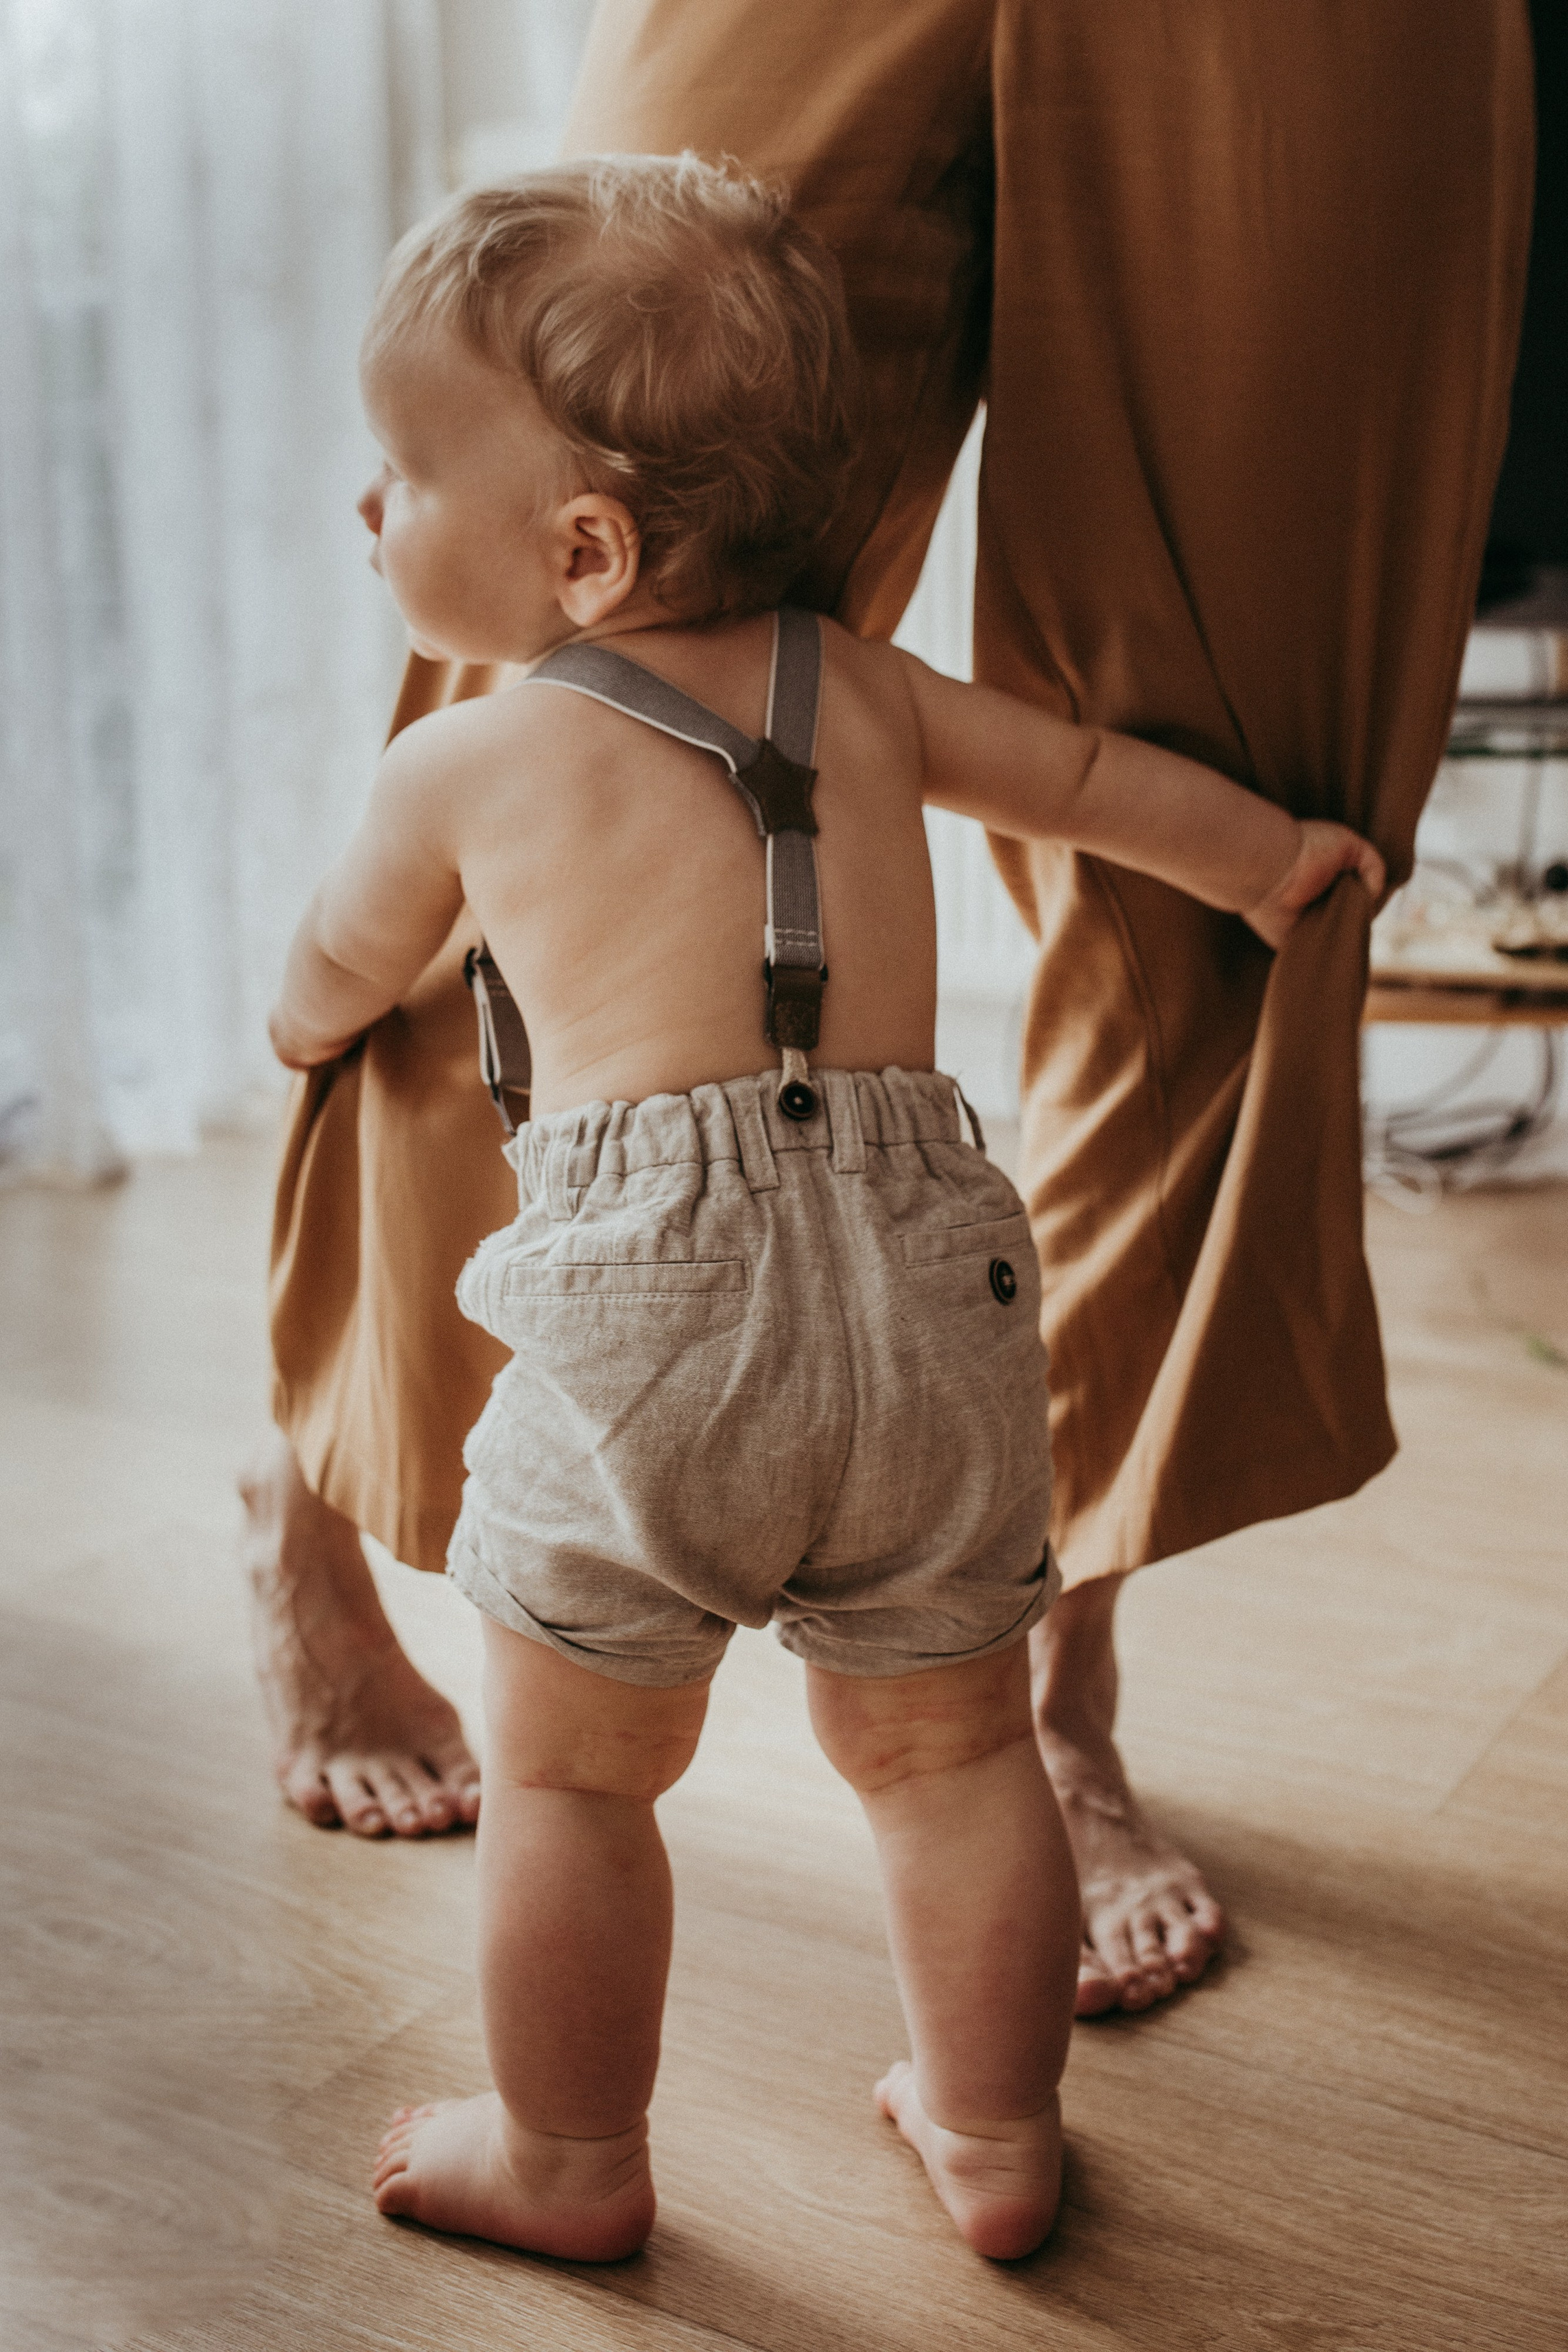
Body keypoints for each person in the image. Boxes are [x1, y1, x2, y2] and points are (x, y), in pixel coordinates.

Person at [249, 1, 1532, 2021]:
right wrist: (1274, 860)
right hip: (942, 1296)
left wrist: (303, 1009)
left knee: (580, 1777)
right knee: (937, 1756)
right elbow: (1107, 788)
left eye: (374, 476)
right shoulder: (875, 703)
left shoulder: (453, 796)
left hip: (617, 1319)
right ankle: (987, 2086)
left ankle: (571, 2143)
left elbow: (340, 974)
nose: (363, 502)